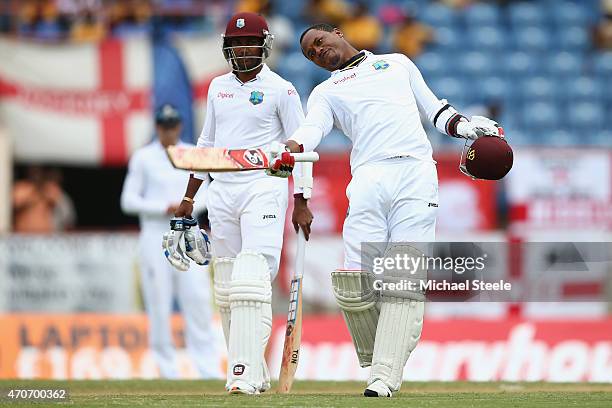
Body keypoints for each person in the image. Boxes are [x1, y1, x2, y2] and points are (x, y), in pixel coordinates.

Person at [267, 23, 503, 397]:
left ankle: (383, 378)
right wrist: (291, 146)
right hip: (368, 179)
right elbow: (313, 129)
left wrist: (467, 127)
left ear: (337, 32)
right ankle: (382, 357)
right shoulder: (325, 91)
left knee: (402, 278)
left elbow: (436, 111)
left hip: (414, 172)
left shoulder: (396, 63)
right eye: (311, 54)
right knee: (350, 284)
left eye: (319, 42)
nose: (318, 51)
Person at [172, 12, 309, 394]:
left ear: (264, 46)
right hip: (222, 190)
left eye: (249, 43)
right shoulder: (217, 87)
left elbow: (302, 148)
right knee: (229, 286)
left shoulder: (282, 89)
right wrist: (188, 197)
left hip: (264, 187)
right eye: (236, 44)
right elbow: (205, 146)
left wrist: (300, 199)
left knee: (252, 279)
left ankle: (243, 375)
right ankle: (248, 370)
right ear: (226, 47)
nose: (242, 49)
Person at [120, 104, 218, 379]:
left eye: (173, 125)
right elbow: (128, 201)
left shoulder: (191, 153)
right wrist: (164, 206)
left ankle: (207, 368)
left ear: (180, 126)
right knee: (158, 302)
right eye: (164, 126)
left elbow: (209, 194)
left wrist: (188, 205)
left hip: (188, 231)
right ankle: (167, 369)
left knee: (197, 299)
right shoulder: (143, 158)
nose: (169, 130)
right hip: (155, 234)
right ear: (157, 127)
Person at [12, 166, 75, 233]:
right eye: (33, 171)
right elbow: (15, 203)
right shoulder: (20, 188)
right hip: (24, 236)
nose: (36, 174)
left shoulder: (50, 189)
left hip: (45, 236)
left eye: (38, 171)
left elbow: (66, 212)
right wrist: (36, 195)